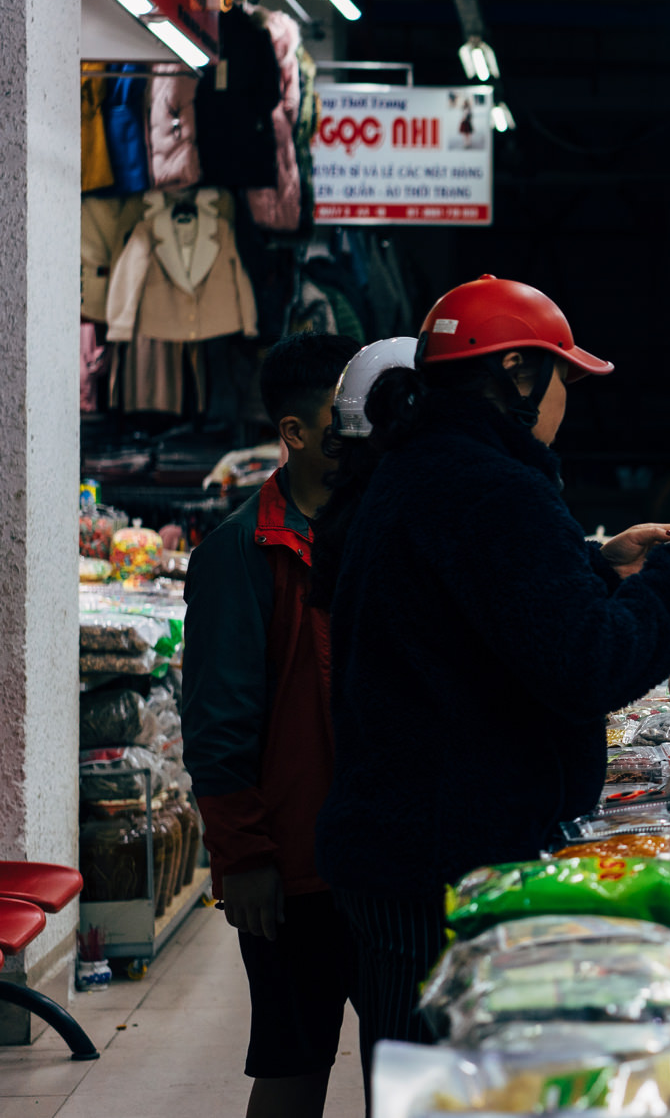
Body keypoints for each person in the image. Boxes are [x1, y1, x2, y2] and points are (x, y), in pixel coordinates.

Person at [308, 276, 670, 1063]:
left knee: (418, 1074)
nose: (567, 400)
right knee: (442, 1083)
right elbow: (589, 663)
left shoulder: (429, 464)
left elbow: (477, 604)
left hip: (407, 847)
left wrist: (599, 566)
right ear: (516, 372)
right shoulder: (489, 485)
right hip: (439, 865)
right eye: (562, 378)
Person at [182, 331, 363, 1118]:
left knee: (412, 1067)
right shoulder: (238, 554)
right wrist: (245, 855)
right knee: (295, 1065)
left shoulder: (383, 528)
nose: (364, 429)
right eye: (343, 414)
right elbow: (218, 721)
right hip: (293, 867)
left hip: (387, 856)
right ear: (294, 432)